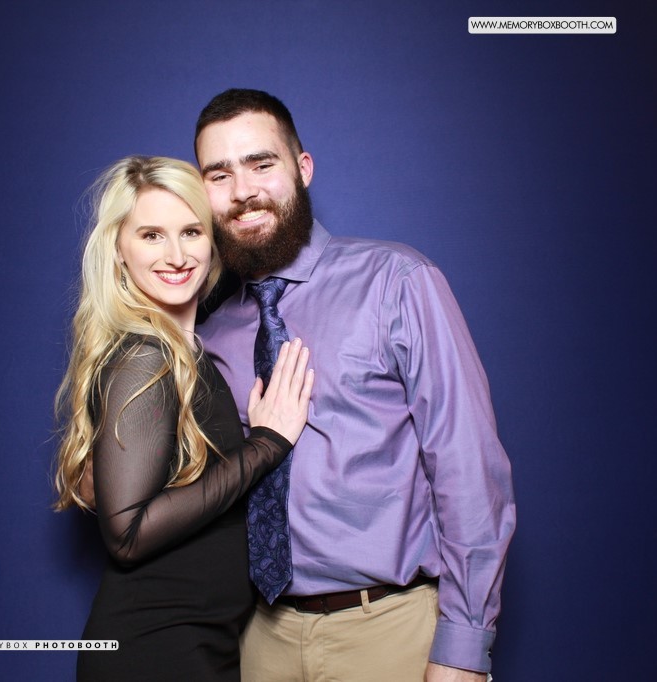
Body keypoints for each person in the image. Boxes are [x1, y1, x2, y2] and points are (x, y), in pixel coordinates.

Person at [193, 89, 516, 682]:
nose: (242, 191)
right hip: (258, 637)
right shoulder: (209, 328)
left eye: (261, 164)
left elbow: (467, 466)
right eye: (220, 175)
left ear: (303, 168)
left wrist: (464, 648)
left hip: (390, 630)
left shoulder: (397, 281)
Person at [53, 155, 315, 682]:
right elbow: (127, 534)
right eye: (151, 235)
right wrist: (266, 444)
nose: (176, 256)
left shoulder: (184, 348)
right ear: (119, 250)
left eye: (191, 232)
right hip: (156, 651)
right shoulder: (146, 354)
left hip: (199, 645)